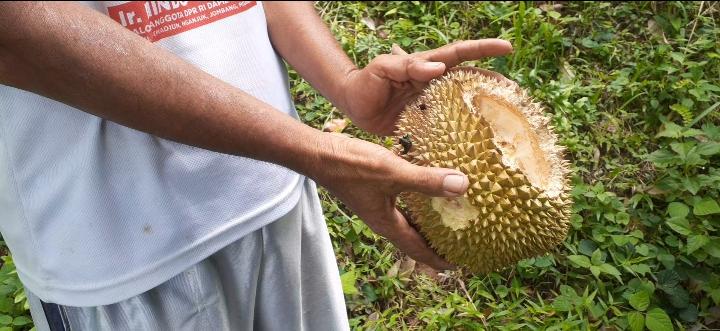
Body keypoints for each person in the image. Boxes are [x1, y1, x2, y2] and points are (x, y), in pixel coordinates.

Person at [0, 1, 512, 330]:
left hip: (277, 197)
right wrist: (311, 151)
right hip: (122, 256)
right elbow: (15, 31)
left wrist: (345, 82)